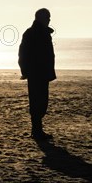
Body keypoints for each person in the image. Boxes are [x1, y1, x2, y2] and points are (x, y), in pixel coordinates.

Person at [18, 8, 56, 140]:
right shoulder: (31, 33)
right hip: (36, 73)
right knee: (37, 102)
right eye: (47, 17)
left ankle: (37, 129)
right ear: (41, 18)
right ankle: (36, 130)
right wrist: (25, 71)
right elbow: (23, 53)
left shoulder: (42, 33)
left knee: (42, 101)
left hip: (42, 72)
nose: (49, 20)